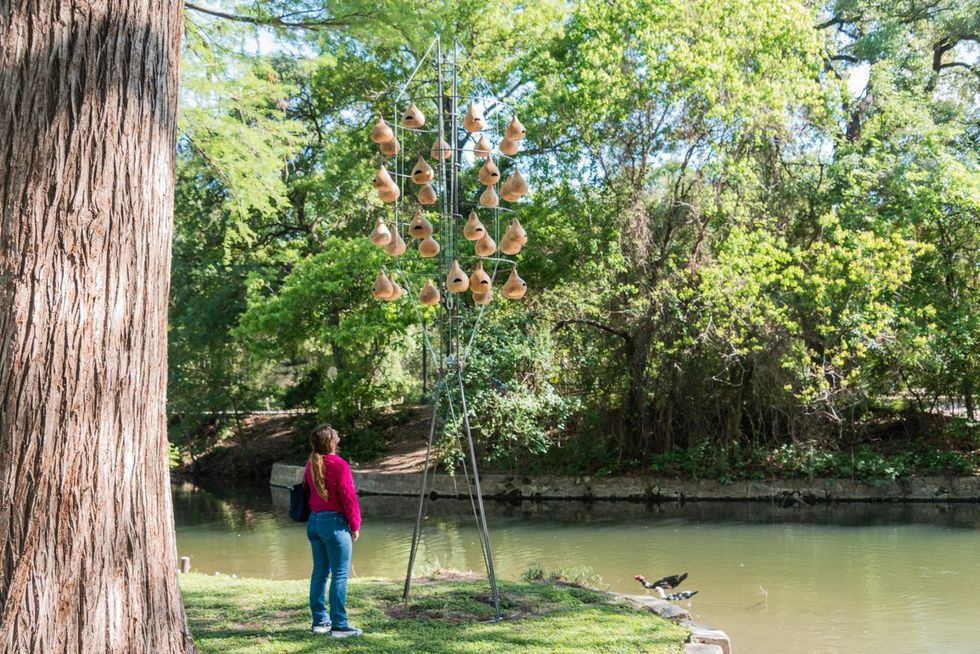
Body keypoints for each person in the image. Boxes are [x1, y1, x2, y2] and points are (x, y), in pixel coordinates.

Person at [305, 423, 362, 638]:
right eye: (335, 432)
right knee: (339, 574)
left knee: (319, 573)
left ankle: (320, 622)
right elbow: (349, 498)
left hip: (314, 522)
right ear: (330, 441)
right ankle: (339, 625)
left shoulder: (311, 463)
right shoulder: (339, 465)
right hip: (335, 524)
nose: (338, 433)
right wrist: (355, 525)